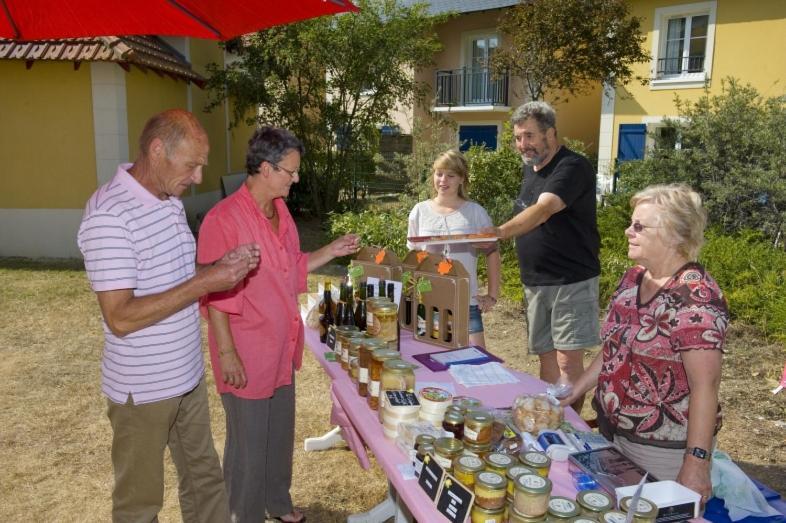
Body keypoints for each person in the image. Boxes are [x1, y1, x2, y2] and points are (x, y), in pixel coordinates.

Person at [77, 108, 260, 522]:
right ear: (158, 150)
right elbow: (121, 317)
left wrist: (217, 268)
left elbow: (176, 277)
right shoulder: (110, 215)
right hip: (142, 389)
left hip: (186, 377)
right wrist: (206, 282)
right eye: (192, 165)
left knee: (204, 479)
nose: (197, 178)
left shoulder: (168, 199)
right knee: (140, 503)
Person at [197, 126, 360, 523]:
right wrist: (227, 352)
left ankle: (277, 503)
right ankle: (244, 514)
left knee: (277, 433)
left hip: (281, 344)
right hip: (246, 351)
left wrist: (332, 249)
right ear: (266, 169)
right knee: (248, 445)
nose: (297, 178)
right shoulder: (224, 220)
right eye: (292, 171)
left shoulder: (280, 211)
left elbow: (291, 267)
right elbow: (216, 295)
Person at [561, 184, 728, 504]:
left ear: (674, 234)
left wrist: (696, 463)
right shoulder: (633, 278)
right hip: (613, 434)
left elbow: (706, 385)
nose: (628, 231)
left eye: (639, 226)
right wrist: (576, 389)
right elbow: (614, 349)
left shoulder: (695, 296)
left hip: (662, 452)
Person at [493, 101, 600, 412]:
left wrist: (498, 233)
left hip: (571, 280)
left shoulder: (572, 167)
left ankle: (572, 427)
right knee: (547, 358)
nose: (522, 145)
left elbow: (542, 211)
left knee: (568, 362)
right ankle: (551, 420)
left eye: (529, 136)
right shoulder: (532, 171)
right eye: (517, 138)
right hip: (536, 283)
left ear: (551, 133)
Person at [407, 150, 501, 348]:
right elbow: (414, 257)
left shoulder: (476, 212)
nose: (443, 180)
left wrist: (492, 295)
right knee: (431, 364)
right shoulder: (419, 211)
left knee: (477, 365)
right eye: (439, 173)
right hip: (428, 301)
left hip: (466, 302)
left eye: (450, 175)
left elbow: (492, 252)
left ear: (461, 179)